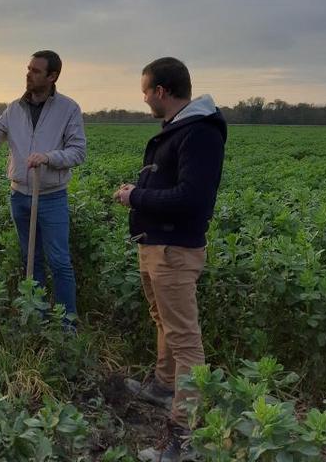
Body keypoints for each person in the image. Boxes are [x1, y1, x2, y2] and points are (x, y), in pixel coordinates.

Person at [113, 57, 227, 462]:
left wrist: (135, 197)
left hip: (174, 250)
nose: (144, 99)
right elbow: (172, 184)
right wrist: (140, 187)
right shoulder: (180, 130)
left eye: (145, 91)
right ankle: (164, 386)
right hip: (156, 244)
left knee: (185, 338)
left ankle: (185, 435)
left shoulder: (200, 134)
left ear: (161, 91)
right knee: (163, 321)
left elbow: (192, 198)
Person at [0, 50, 86, 323]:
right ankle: (39, 316)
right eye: (28, 69)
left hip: (51, 197)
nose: (28, 74)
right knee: (31, 257)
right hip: (19, 196)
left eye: (35, 71)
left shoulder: (69, 109)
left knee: (59, 261)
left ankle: (67, 323)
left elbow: (78, 152)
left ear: (52, 77)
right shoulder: (14, 108)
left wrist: (49, 157)